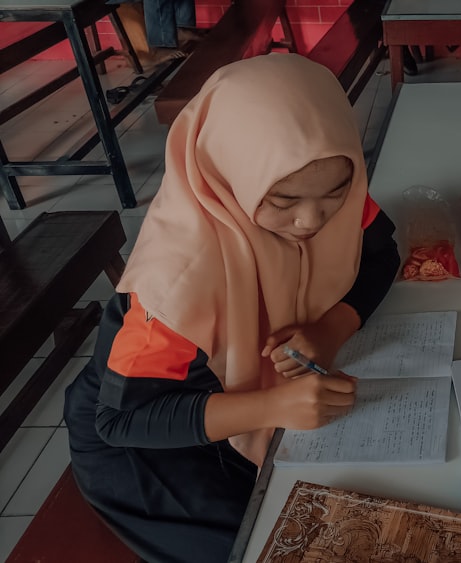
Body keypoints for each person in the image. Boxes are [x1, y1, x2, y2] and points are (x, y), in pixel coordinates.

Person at [64, 53, 400, 563]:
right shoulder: (175, 283)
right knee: (270, 545)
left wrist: (330, 329)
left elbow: (381, 255)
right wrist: (272, 407)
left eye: (335, 192)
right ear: (227, 176)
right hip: (154, 432)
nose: (311, 219)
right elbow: (123, 418)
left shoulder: (328, 188)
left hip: (246, 393)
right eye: (283, 200)